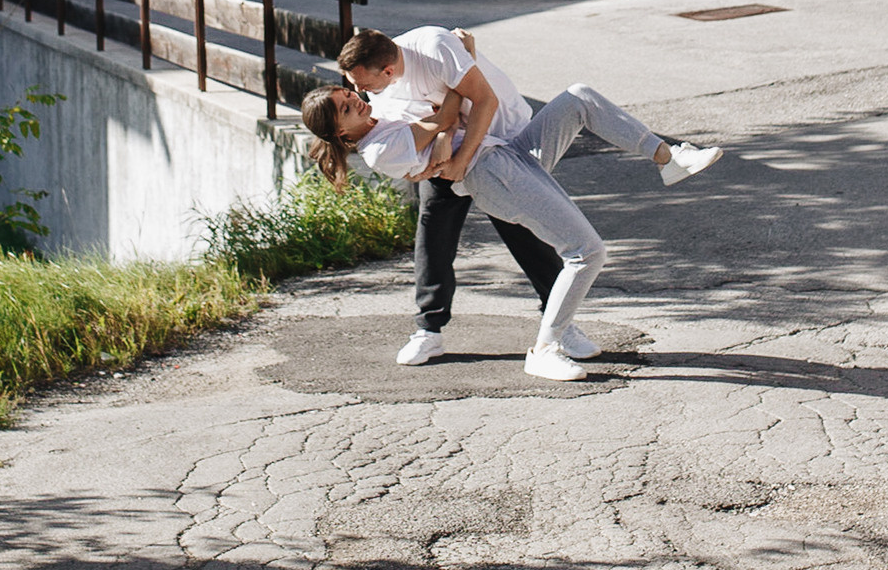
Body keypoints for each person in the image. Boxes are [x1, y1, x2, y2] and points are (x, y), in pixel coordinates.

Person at [305, 30, 722, 380]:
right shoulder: (380, 146)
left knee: (579, 97)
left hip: (505, 148)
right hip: (488, 172)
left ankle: (669, 158)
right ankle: (540, 348)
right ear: (341, 132)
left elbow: (448, 121)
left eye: (350, 92)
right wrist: (460, 84)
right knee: (584, 251)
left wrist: (449, 128)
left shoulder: (388, 99)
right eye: (347, 104)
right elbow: (445, 119)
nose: (358, 96)